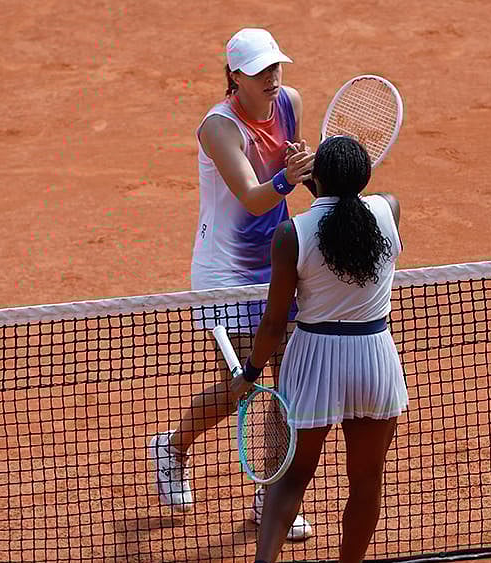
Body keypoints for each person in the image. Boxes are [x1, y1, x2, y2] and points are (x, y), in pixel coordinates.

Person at [148, 27, 316, 541]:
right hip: (225, 273)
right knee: (244, 382)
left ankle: (272, 493)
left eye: (275, 66)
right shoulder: (219, 128)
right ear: (235, 76)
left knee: (289, 384)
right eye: (260, 70)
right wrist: (289, 177)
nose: (272, 77)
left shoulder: (289, 103)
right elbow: (252, 196)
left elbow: (296, 176)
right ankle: (172, 446)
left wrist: (320, 174)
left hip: (278, 263)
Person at [245, 135, 408, 563]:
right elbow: (345, 210)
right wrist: (321, 183)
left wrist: (250, 372)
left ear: (317, 179)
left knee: (291, 478)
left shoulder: (291, 234)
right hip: (373, 360)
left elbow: (274, 322)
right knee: (367, 481)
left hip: (314, 359)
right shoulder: (389, 209)